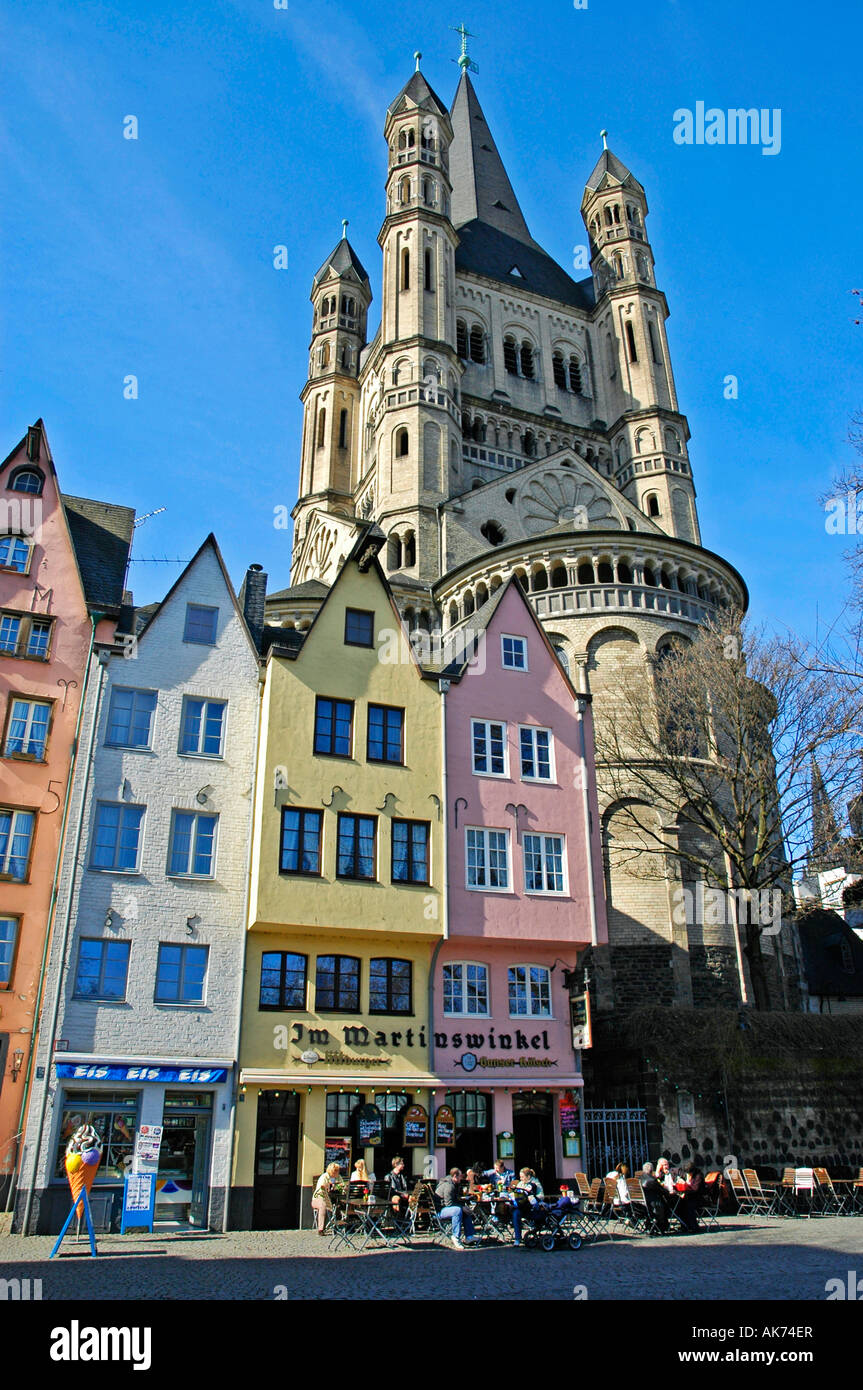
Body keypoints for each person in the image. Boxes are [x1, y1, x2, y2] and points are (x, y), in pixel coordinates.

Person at [435, 1167, 476, 1249]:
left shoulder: (454, 1184)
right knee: (457, 1210)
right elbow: (448, 1203)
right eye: (460, 1176)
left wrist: (463, 1206)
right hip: (440, 1210)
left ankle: (469, 1236)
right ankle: (455, 1237)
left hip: (446, 1208)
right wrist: (461, 1207)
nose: (461, 1178)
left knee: (464, 1210)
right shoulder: (449, 1185)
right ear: (455, 1176)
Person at [311, 1161, 341, 1235]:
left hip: (333, 1198)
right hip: (319, 1197)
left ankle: (338, 1226)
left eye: (337, 1171)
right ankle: (321, 1229)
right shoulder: (324, 1176)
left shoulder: (338, 1177)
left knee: (340, 1205)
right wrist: (329, 1186)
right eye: (335, 1171)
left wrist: (339, 1187)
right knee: (323, 1205)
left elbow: (342, 1186)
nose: (337, 1172)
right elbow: (322, 1187)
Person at [640, 1161, 670, 1233]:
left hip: (643, 1205)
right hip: (654, 1206)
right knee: (668, 1202)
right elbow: (663, 1191)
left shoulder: (640, 1179)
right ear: (651, 1170)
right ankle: (663, 1227)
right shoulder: (652, 1180)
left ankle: (651, 1226)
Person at [677, 1161, 705, 1233]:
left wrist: (686, 1186)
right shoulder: (686, 1174)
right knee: (680, 1205)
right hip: (689, 1196)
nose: (688, 1174)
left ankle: (694, 1227)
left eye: (689, 1173)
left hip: (698, 1197)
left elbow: (695, 1189)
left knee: (689, 1206)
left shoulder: (698, 1176)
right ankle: (685, 1225)